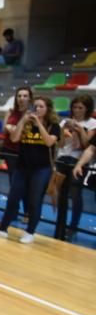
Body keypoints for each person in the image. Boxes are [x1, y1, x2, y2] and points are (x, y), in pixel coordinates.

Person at [0, 97, 61, 244]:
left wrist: (38, 123)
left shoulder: (54, 125)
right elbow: (14, 138)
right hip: (22, 166)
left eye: (41, 107)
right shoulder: (26, 124)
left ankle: (30, 231)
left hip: (41, 169)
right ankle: (2, 229)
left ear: (48, 109)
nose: (37, 109)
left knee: (34, 200)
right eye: (35, 106)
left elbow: (49, 141)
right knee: (13, 198)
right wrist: (22, 121)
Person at [54, 94, 96, 240]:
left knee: (76, 194)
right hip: (62, 158)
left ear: (87, 109)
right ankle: (60, 224)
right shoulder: (65, 121)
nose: (77, 110)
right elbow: (59, 144)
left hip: (78, 161)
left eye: (80, 108)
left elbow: (86, 145)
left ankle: (73, 226)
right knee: (61, 194)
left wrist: (80, 130)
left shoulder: (92, 123)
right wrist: (63, 131)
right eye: (74, 107)